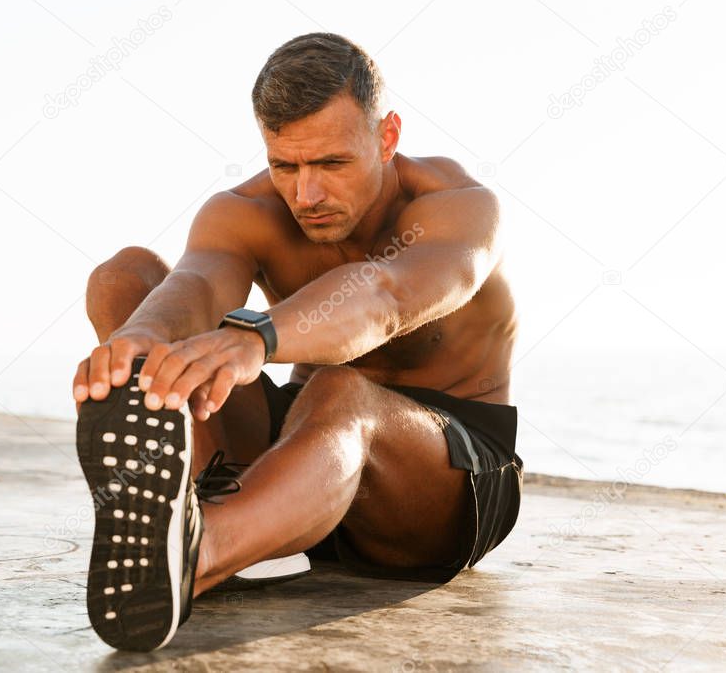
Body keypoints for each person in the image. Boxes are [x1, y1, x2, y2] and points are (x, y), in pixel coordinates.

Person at [72, 32, 523, 651]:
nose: (306, 195)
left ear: (386, 136)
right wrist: (143, 338)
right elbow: (198, 283)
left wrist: (259, 335)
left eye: (333, 164)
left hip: (444, 481)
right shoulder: (246, 211)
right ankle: (202, 500)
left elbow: (384, 297)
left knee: (344, 389)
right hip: (303, 461)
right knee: (126, 281)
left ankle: (198, 553)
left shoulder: (458, 207)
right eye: (286, 166)